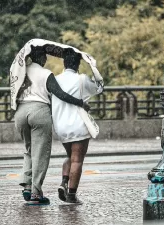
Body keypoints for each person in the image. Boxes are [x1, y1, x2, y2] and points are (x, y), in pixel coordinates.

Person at [14, 46, 89, 205]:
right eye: (45, 57)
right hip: (38, 112)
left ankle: (27, 185)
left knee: (29, 150)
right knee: (40, 153)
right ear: (41, 58)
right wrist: (79, 102)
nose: (46, 59)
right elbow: (60, 94)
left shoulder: (20, 71)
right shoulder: (46, 73)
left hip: (20, 112)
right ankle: (36, 193)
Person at [51, 48, 103, 204]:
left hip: (61, 127)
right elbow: (99, 87)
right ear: (78, 64)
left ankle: (64, 183)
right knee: (77, 160)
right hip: (78, 125)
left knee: (70, 157)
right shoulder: (81, 79)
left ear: (64, 63)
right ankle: (72, 196)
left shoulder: (55, 80)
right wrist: (94, 67)